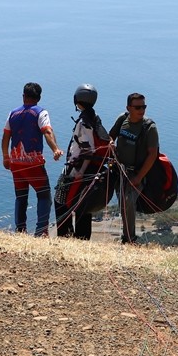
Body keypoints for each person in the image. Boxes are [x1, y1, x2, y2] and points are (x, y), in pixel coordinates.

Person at [1, 82, 63, 236]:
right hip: (33, 163)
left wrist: (5, 157)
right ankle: (41, 231)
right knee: (44, 195)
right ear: (39, 98)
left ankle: (20, 230)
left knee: (21, 196)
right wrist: (55, 149)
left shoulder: (12, 114)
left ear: (23, 96)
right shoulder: (41, 113)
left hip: (16, 163)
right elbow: (47, 132)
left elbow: (5, 137)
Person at [55, 83, 112, 240]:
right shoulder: (95, 119)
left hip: (78, 170)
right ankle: (82, 239)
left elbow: (88, 149)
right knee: (83, 206)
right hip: (92, 169)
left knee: (60, 201)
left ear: (77, 100)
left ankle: (65, 236)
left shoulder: (84, 123)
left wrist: (80, 172)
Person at [109, 92, 159, 245]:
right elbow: (111, 136)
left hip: (137, 173)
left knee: (127, 201)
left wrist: (138, 178)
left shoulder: (149, 127)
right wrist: (111, 144)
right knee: (122, 203)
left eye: (143, 106)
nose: (141, 110)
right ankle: (128, 237)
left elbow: (152, 155)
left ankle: (130, 239)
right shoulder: (122, 119)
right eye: (137, 107)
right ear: (128, 108)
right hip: (119, 170)